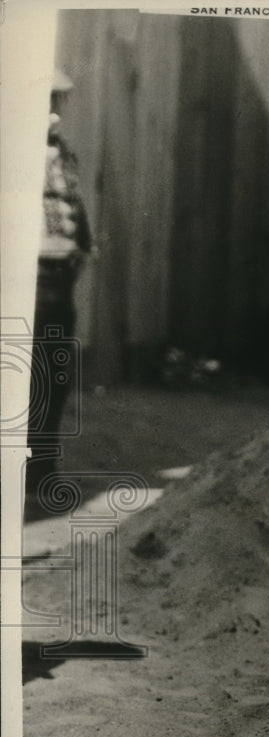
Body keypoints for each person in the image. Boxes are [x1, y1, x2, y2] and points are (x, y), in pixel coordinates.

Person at [27, 68, 92, 498]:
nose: (54, 113)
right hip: (27, 277)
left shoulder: (63, 153)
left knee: (53, 371)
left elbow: (73, 205)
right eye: (46, 100)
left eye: (58, 102)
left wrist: (82, 247)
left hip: (59, 277)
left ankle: (39, 468)